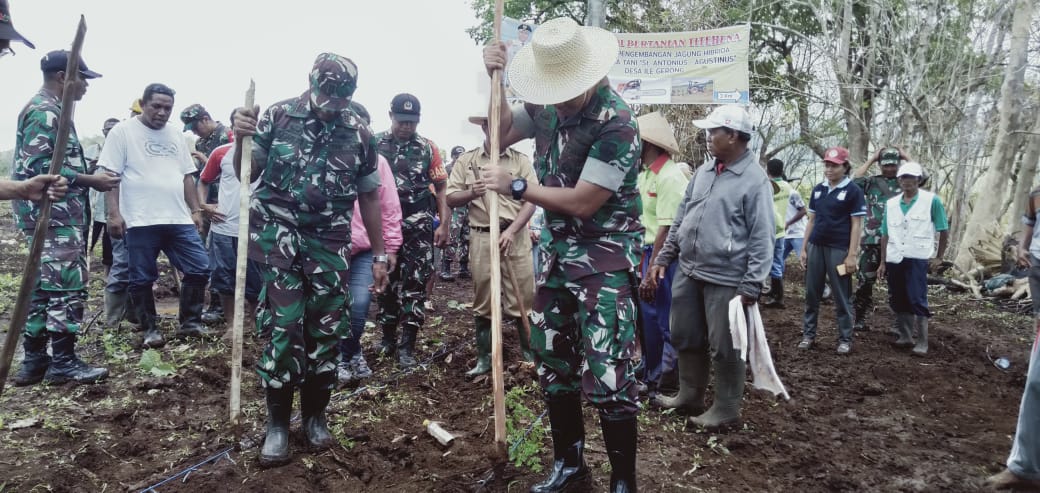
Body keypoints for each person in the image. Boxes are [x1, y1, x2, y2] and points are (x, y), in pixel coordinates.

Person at [481, 17, 642, 492]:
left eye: (568, 90)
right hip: (555, 258)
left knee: (610, 368)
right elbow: (498, 134)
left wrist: (517, 185)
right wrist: (492, 79)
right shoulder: (546, 105)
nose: (560, 101)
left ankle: (623, 481)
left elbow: (583, 201)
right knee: (555, 361)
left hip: (603, 261)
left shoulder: (618, 122)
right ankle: (571, 467)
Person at [231, 53, 388, 468]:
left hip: (329, 246)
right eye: (326, 95)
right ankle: (278, 425)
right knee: (284, 328)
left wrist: (380, 252)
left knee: (326, 331)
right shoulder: (278, 117)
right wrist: (241, 139)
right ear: (312, 83)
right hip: (279, 239)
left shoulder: (359, 132)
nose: (333, 104)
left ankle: (315, 417)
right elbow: (246, 172)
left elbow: (370, 196)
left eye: (342, 97)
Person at [647, 105, 773, 433]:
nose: (709, 137)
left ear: (733, 136)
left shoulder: (754, 180)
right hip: (689, 268)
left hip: (727, 276)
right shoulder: (704, 172)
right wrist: (664, 257)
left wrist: (752, 283)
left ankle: (727, 409)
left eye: (714, 131)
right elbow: (681, 218)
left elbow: (763, 235)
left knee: (725, 344)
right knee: (684, 333)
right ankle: (689, 395)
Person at [11, 50, 119, 386]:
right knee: (66, 288)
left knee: (43, 289)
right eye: (83, 78)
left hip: (56, 217)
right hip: (54, 218)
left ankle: (34, 361)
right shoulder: (45, 113)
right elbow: (40, 170)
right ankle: (64, 362)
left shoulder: (53, 110)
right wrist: (92, 180)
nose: (86, 86)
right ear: (64, 76)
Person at [99, 83, 214, 349]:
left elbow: (187, 176)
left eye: (167, 108)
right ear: (144, 103)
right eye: (157, 106)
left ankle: (190, 323)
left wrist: (195, 210)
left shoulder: (175, 134)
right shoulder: (122, 132)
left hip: (177, 219)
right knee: (141, 277)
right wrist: (114, 214)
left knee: (199, 267)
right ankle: (150, 329)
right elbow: (111, 177)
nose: (162, 112)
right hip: (140, 219)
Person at [447, 113, 536, 377]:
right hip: (482, 236)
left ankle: (530, 357)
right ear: (483, 127)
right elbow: (451, 198)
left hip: (514, 235)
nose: (496, 129)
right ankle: (484, 359)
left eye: (503, 125)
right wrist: (472, 192)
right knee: (483, 297)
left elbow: (531, 200)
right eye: (491, 124)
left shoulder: (521, 161)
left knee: (523, 297)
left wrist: (512, 230)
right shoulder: (468, 161)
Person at [374, 93, 450, 369]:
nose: (407, 127)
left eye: (412, 122)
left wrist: (444, 222)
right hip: (384, 225)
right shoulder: (374, 144)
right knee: (386, 282)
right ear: (391, 116)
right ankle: (387, 338)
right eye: (402, 121)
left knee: (415, 284)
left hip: (417, 225)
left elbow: (441, 187)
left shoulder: (428, 147)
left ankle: (407, 346)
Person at [334, 101, 403, 385]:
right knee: (329, 307)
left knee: (359, 305)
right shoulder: (323, 155)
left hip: (363, 250)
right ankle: (345, 355)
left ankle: (346, 356)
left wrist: (390, 249)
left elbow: (388, 207)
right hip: (327, 249)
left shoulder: (378, 163)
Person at [633, 111, 686, 402]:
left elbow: (667, 227)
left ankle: (666, 382)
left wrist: (654, 267)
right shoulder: (645, 175)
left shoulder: (670, 176)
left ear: (647, 143)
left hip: (663, 259)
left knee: (665, 321)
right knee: (648, 321)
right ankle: (650, 373)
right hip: (644, 254)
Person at [797, 147, 867, 354]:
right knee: (812, 293)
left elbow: (856, 224)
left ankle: (845, 338)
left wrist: (852, 254)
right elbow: (812, 220)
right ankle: (808, 335)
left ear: (845, 167)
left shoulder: (853, 191)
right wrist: (803, 248)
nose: (829, 169)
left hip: (839, 249)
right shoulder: (819, 189)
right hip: (816, 246)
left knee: (841, 295)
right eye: (827, 165)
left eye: (834, 165)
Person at [878, 162, 948, 356]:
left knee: (917, 298)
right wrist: (883, 262)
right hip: (895, 257)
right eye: (903, 178)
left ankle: (922, 341)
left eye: (911, 178)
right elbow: (885, 233)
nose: (907, 181)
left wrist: (939, 257)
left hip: (917, 256)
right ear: (899, 180)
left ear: (918, 180)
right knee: (898, 297)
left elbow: (943, 229)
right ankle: (906, 335)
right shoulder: (891, 204)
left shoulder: (931, 201)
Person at [195, 139, 263, 340]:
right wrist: (203, 205)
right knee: (224, 279)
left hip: (254, 229)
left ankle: (254, 324)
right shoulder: (221, 152)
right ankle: (232, 326)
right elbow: (204, 180)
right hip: (224, 227)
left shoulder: (265, 152)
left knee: (255, 280)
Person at [181, 103, 235, 324]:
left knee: (229, 259)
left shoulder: (229, 136)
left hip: (227, 210)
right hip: (208, 207)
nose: (194, 131)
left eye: (195, 126)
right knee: (210, 256)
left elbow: (236, 175)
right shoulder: (201, 142)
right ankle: (215, 305)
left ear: (205, 118)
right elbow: (202, 178)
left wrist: (206, 159)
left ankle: (225, 309)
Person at [851, 147, 905, 331]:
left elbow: (922, 176)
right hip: (871, 239)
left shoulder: (905, 181)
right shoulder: (871, 182)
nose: (889, 168)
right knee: (865, 280)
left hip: (898, 240)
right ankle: (859, 317)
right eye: (885, 164)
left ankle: (899, 322)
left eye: (893, 164)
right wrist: (872, 159)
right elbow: (855, 180)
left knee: (898, 283)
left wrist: (905, 156)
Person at [762, 158, 807, 309]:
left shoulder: (768, 187)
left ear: (767, 170)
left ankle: (776, 297)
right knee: (777, 262)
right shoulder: (788, 188)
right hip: (782, 230)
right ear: (782, 171)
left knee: (766, 262)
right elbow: (801, 209)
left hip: (767, 230)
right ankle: (776, 294)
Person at [85, 118, 121, 276]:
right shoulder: (94, 149)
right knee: (87, 239)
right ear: (103, 131)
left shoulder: (121, 149)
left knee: (109, 241)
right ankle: (83, 270)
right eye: (108, 129)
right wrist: (91, 168)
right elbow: (81, 175)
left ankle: (108, 273)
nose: (110, 131)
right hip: (94, 203)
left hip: (112, 205)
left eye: (114, 128)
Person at [440, 145, 471, 281]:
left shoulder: (469, 170)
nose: (460, 158)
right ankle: (446, 267)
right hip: (453, 209)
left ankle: (463, 267)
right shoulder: (447, 170)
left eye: (462, 156)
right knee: (452, 237)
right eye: (457, 156)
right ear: (452, 157)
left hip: (468, 208)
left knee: (467, 237)